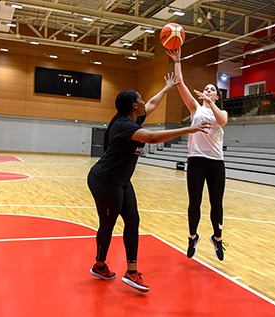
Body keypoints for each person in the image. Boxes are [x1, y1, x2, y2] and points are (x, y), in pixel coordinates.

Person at [87, 73, 211, 293]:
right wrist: (189, 129)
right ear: (134, 105)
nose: (145, 102)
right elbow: (152, 138)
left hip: (122, 181)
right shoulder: (124, 125)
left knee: (133, 220)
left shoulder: (133, 118)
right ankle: (99, 265)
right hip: (105, 180)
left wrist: (167, 88)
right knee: (108, 225)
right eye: (141, 99)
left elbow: (151, 104)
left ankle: (132, 272)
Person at [166, 48, 229, 261]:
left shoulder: (220, 111)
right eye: (206, 89)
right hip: (195, 160)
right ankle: (193, 237)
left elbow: (222, 121)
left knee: (216, 203)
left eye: (212, 90)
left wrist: (211, 102)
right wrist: (177, 61)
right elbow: (180, 83)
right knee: (194, 202)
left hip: (216, 163)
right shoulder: (195, 108)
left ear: (217, 95)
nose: (208, 90)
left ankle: (217, 239)